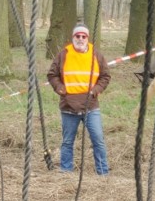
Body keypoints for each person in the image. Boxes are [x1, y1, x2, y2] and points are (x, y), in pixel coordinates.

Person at [46, 24, 111, 176]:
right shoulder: (63, 54)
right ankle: (66, 172)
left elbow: (105, 76)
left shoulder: (96, 55)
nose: (80, 39)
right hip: (68, 106)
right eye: (77, 36)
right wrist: (60, 88)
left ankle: (103, 173)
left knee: (98, 140)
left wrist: (96, 90)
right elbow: (52, 75)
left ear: (87, 38)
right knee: (67, 141)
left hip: (91, 106)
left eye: (83, 36)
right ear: (73, 37)